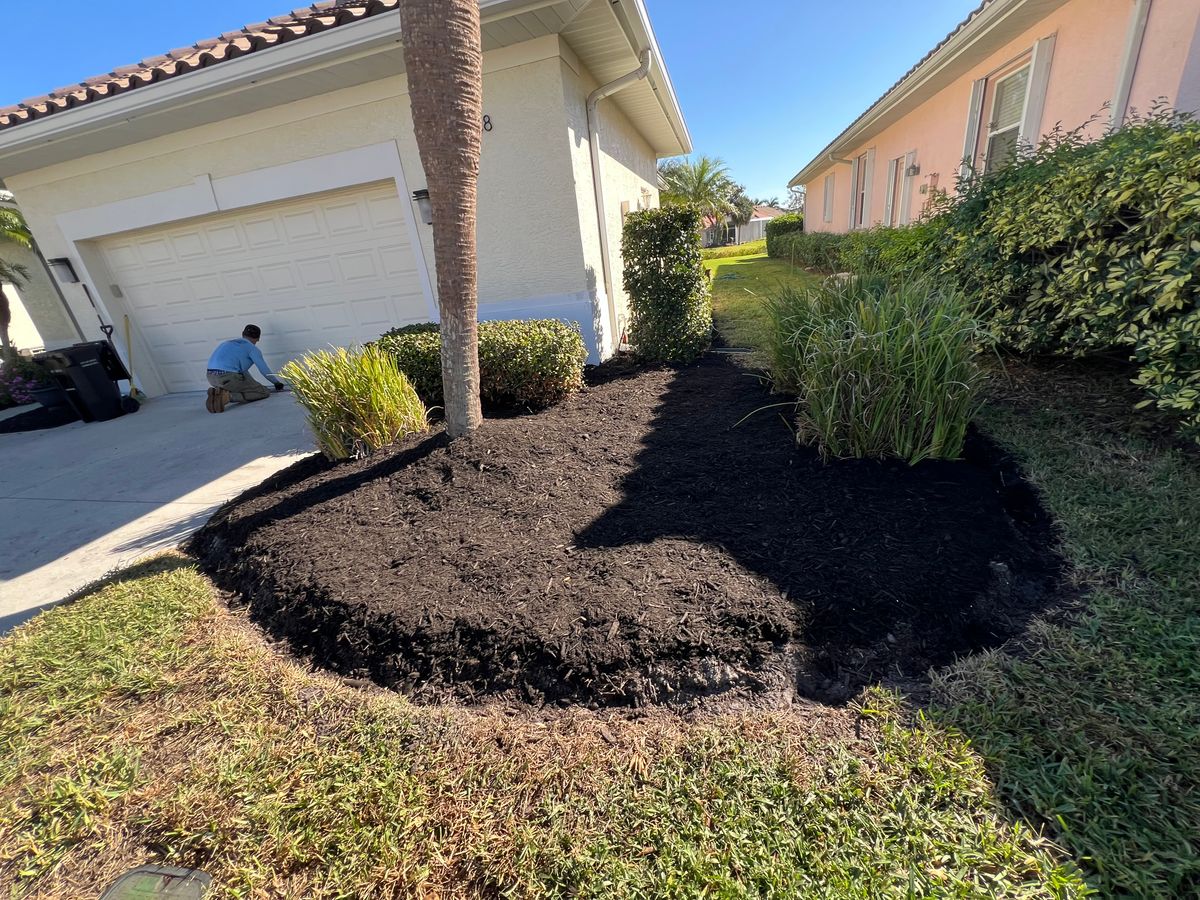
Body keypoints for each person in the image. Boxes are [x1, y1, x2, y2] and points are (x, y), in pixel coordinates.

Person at [205, 324, 285, 413]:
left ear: (243, 334)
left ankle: (218, 392)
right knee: (263, 392)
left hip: (211, 377)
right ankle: (227, 397)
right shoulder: (252, 349)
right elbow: (264, 370)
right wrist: (276, 383)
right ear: (258, 338)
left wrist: (255, 385)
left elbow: (243, 372)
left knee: (248, 382)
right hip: (228, 377)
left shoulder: (226, 343)